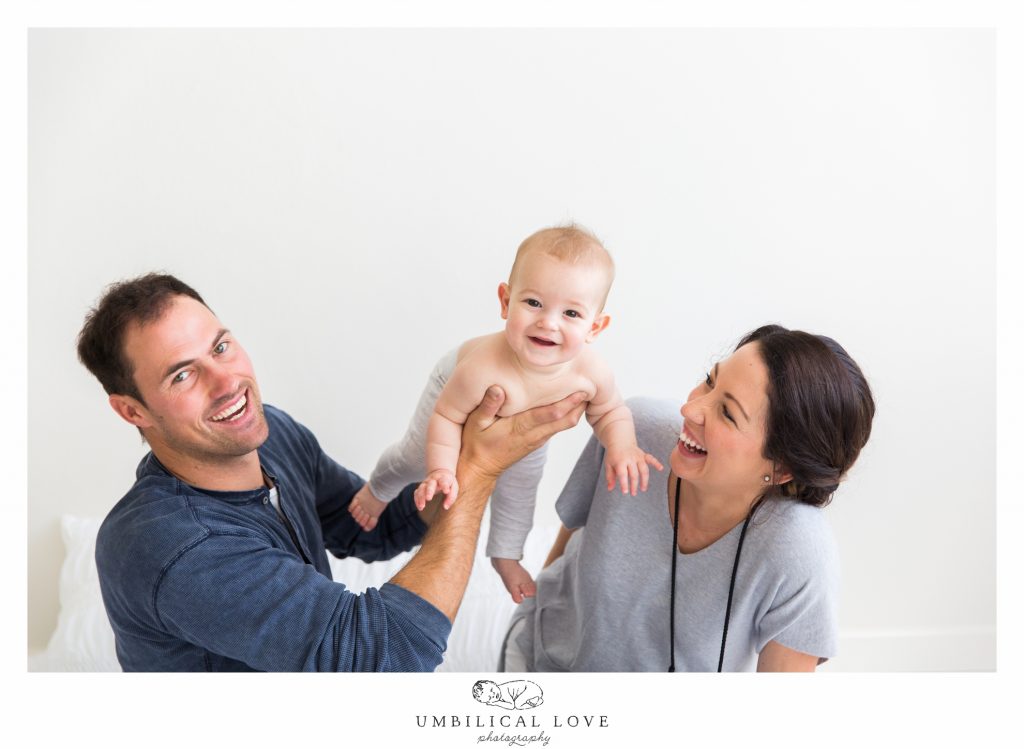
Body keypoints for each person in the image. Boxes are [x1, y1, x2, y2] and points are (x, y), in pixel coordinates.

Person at [76, 273, 587, 672]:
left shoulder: (271, 433)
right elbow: (383, 659)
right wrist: (478, 469)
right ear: (132, 411)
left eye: (221, 346)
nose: (226, 381)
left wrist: (459, 451)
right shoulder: (169, 546)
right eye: (183, 374)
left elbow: (370, 526)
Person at [500, 324, 875, 672]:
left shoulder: (799, 551)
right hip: (542, 666)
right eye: (709, 382)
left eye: (727, 413)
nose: (690, 409)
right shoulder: (633, 431)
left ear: (781, 469)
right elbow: (569, 539)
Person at [347, 225, 662, 603]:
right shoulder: (480, 368)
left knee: (520, 489)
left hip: (530, 429)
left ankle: (505, 556)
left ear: (595, 326)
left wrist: (622, 447)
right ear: (505, 301)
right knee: (416, 456)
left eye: (572, 313)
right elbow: (446, 419)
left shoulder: (590, 373)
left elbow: (611, 411)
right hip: (453, 397)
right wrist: (442, 470)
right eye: (533, 303)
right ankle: (378, 488)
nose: (549, 322)